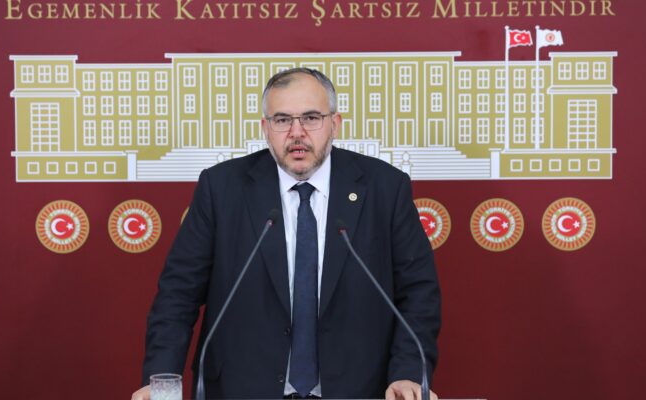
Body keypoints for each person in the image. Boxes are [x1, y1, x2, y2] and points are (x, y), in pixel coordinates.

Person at [132, 68, 441, 400]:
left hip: (359, 389)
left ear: (335, 124)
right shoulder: (221, 188)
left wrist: (408, 372)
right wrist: (160, 382)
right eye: (282, 120)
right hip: (241, 389)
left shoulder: (385, 187)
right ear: (266, 128)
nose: (297, 133)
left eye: (311, 118)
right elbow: (178, 293)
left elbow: (418, 293)